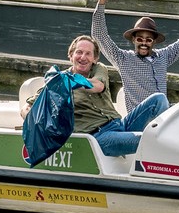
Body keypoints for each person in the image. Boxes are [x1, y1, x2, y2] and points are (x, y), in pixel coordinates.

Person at [21, 35, 168, 157]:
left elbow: (98, 86)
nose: (83, 57)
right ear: (70, 55)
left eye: (88, 54)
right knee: (148, 140)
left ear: (95, 58)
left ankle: (157, 145)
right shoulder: (56, 82)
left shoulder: (99, 69)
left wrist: (73, 82)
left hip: (119, 125)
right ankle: (160, 159)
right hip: (98, 137)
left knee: (159, 99)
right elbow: (27, 108)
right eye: (79, 52)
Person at [92, 0, 179, 112]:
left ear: (154, 42)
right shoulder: (123, 59)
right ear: (133, 40)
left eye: (148, 40)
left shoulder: (163, 57)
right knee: (161, 100)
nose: (144, 43)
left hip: (162, 118)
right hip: (139, 119)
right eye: (140, 39)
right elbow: (99, 35)